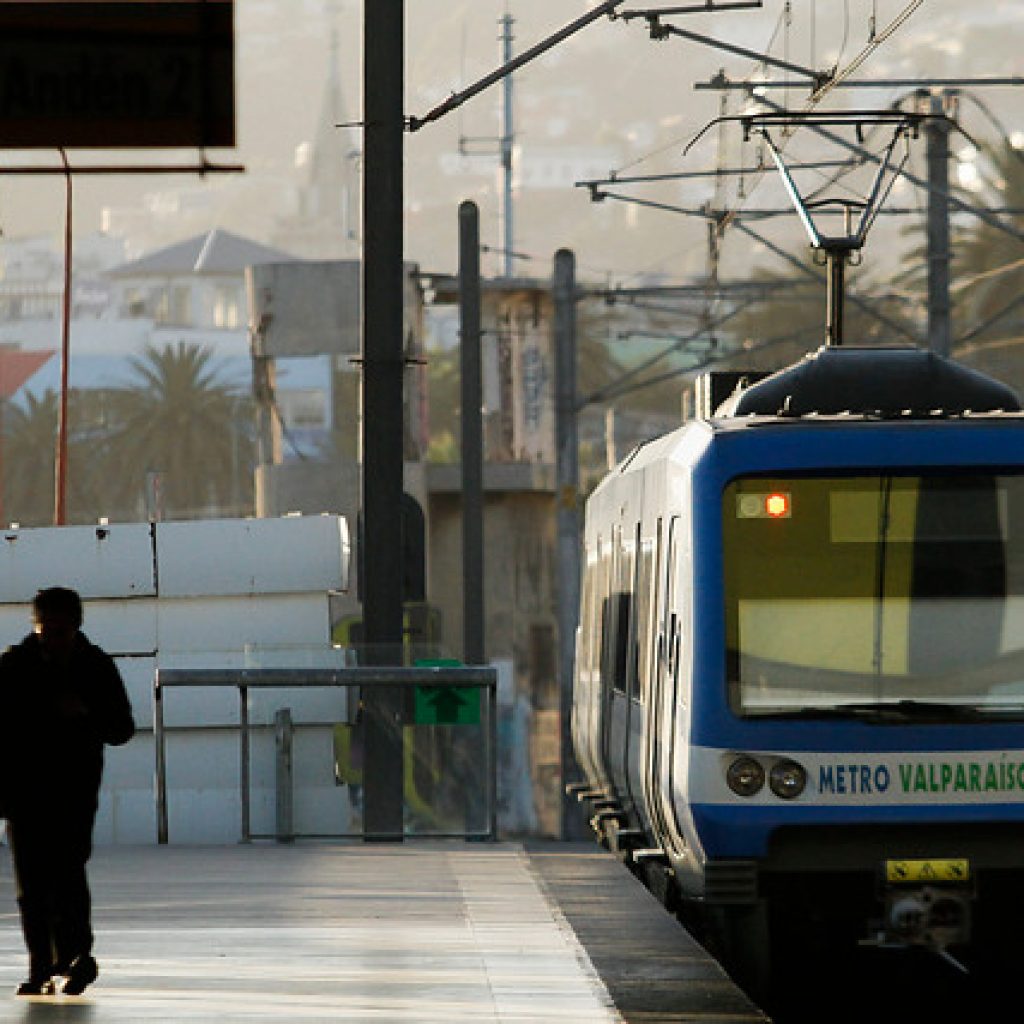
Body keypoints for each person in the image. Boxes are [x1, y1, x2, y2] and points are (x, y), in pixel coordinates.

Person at [0, 587, 135, 997]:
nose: (53, 640)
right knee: (32, 885)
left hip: (73, 789)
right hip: (23, 790)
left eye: (61, 632)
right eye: (47, 631)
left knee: (67, 875)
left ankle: (74, 957)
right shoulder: (13, 667)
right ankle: (44, 965)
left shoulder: (96, 668)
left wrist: (85, 715)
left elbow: (122, 729)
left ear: (76, 628)